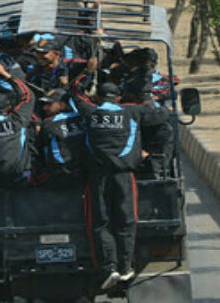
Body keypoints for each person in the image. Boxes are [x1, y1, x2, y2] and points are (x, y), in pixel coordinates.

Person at [75, 83, 170, 290]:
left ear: (98, 98)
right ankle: (125, 267)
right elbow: (163, 116)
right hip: (124, 176)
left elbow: (76, 95)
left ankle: (108, 268)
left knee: (101, 223)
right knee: (126, 221)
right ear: (118, 98)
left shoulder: (89, 112)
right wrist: (154, 102)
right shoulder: (133, 112)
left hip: (98, 177)